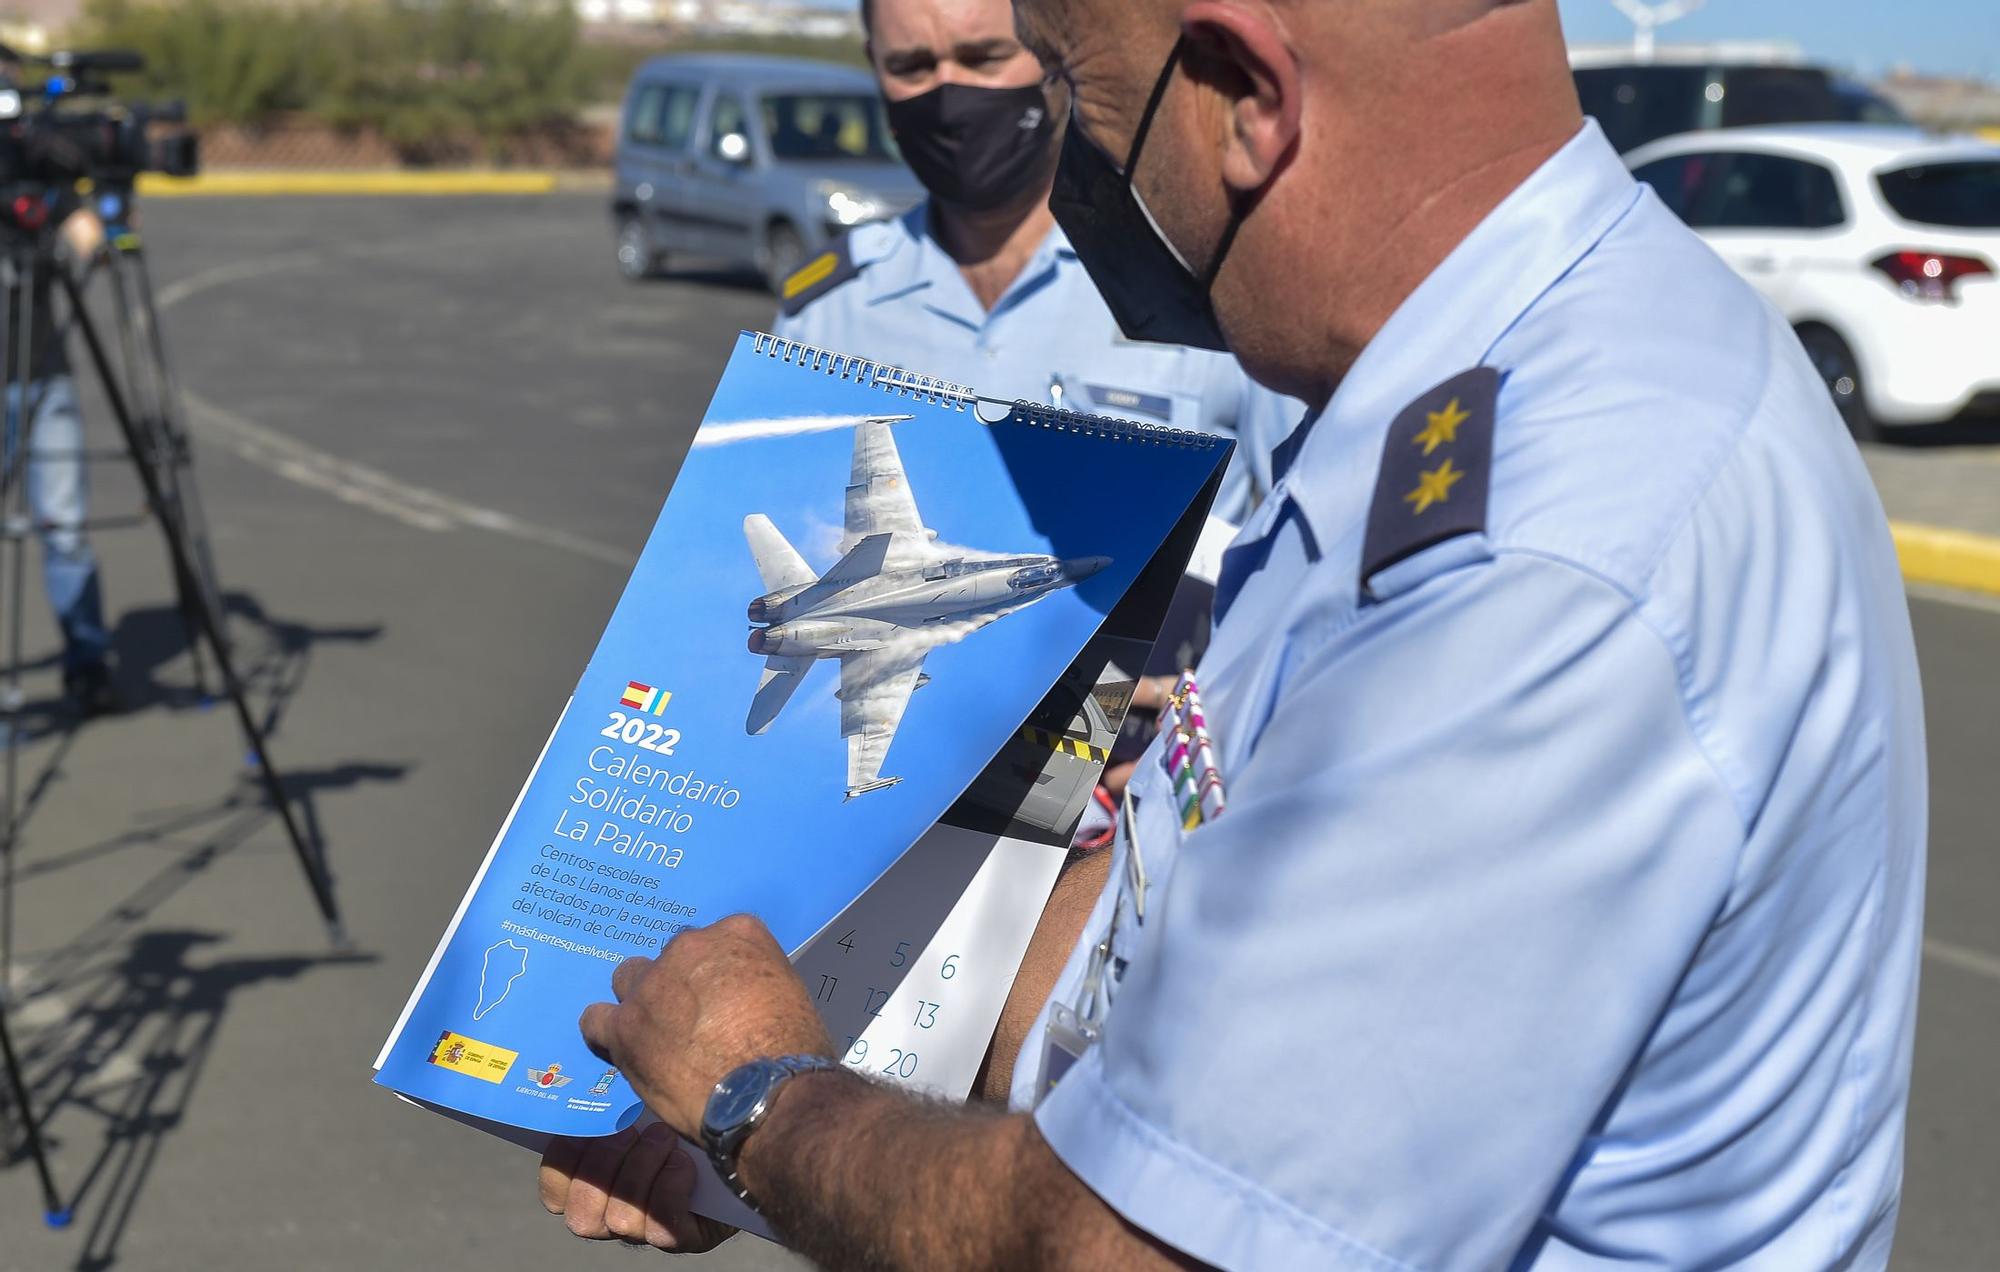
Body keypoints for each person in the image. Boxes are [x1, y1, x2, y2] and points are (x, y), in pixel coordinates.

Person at [538, 1, 1927, 1267]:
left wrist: (764, 1108)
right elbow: (1143, 945)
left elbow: (1136, 1246)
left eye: (1081, 95)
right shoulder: (1445, 394)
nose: (1072, 174)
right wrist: (818, 1036)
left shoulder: (1545, 549)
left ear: (1247, 94)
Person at [769, 0, 1299, 524]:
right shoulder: (826, 312)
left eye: (983, 58)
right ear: (874, 63)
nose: (948, 96)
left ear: (1055, 55)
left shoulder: (1198, 279)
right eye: (911, 67)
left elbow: (1316, 526)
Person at [1, 204, 114, 713]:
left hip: (43, 367)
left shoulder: (34, 159)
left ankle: (87, 663)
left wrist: (84, 237)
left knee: (65, 526)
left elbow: (86, 224)